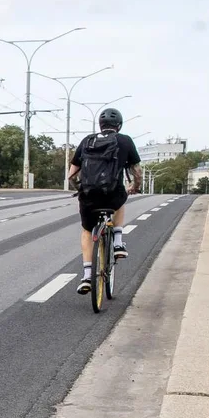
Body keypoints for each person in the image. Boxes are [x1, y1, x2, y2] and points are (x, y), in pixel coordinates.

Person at [70, 107, 142, 294]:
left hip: (89, 196)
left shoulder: (87, 141)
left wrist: (81, 190)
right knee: (120, 200)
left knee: (87, 231)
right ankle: (118, 241)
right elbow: (137, 171)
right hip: (111, 194)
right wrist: (135, 187)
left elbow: (72, 174)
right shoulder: (125, 141)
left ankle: (87, 276)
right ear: (119, 125)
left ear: (100, 125)